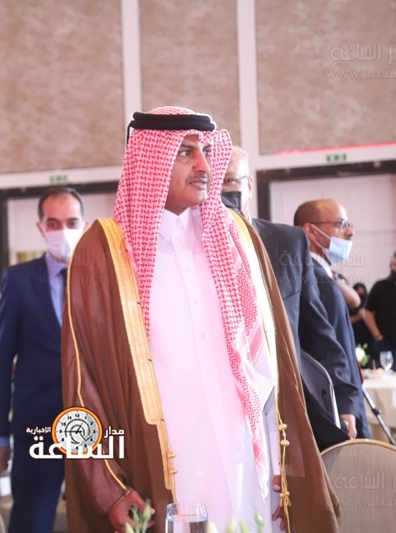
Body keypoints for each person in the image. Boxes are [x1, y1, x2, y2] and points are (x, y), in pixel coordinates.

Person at [62, 108, 338, 532]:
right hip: (162, 470)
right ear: (150, 160)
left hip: (249, 466)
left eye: (206, 151)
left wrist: (286, 459)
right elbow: (83, 385)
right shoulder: (103, 251)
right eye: (186, 153)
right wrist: (109, 488)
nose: (205, 167)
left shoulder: (238, 238)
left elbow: (273, 365)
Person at [221, 147, 359, 442]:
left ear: (249, 185)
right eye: (215, 183)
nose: (222, 193)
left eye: (230, 181)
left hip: (286, 404)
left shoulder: (287, 242)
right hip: (225, 407)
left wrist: (344, 401)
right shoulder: (194, 250)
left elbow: (317, 331)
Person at [0, 186, 87, 533]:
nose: (63, 230)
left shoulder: (103, 277)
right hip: (36, 426)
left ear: (84, 224)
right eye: (53, 223)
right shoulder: (18, 279)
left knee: (95, 520)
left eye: (71, 222)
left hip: (93, 422)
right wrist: (0, 436)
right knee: (31, 520)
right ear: (40, 228)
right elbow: (1, 361)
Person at [294, 200, 370, 438]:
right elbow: (327, 348)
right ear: (310, 230)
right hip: (336, 404)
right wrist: (346, 403)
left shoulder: (322, 276)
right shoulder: (315, 280)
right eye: (340, 224)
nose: (350, 232)